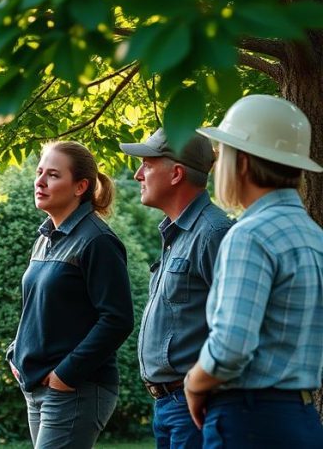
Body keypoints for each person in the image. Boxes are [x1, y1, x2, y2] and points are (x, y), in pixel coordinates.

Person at [184, 94, 323, 448]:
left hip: (249, 420)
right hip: (303, 418)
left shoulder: (249, 235)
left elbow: (231, 347)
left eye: (223, 154)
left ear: (242, 162)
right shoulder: (314, 235)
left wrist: (194, 383)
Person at [7, 141, 134, 449]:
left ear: (80, 186)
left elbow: (117, 320)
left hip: (77, 388)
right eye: (39, 172)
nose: (39, 182)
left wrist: (65, 374)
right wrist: (15, 352)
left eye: (52, 175)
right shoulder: (46, 237)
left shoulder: (98, 240)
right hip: (38, 385)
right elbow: (38, 307)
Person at [119, 129, 233, 449]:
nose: (138, 174)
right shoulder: (179, 234)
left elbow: (234, 328)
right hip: (169, 407)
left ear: (177, 174)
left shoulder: (213, 233)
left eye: (147, 165)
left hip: (194, 407)